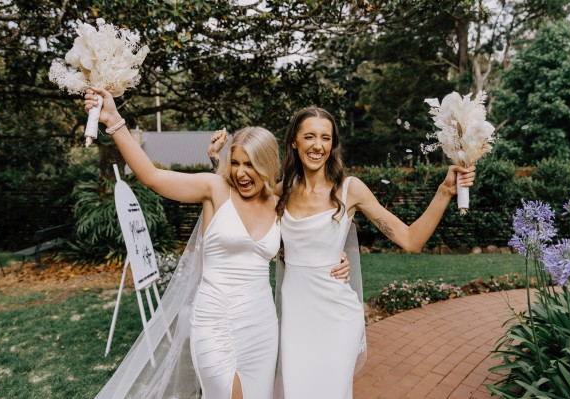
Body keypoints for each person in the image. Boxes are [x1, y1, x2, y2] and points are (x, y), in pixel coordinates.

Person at [84, 88, 349, 399]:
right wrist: (113, 119)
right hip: (214, 322)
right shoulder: (214, 189)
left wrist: (336, 257)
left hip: (261, 326)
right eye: (235, 163)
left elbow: (309, 232)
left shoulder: (279, 200)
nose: (240, 173)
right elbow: (152, 176)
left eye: (250, 165)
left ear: (267, 165)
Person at [273, 107, 475, 398]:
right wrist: (218, 162)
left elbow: (409, 239)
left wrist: (444, 192)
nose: (318, 145)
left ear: (333, 145)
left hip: (336, 317)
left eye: (326, 138)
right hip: (295, 316)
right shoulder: (283, 191)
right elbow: (240, 205)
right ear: (294, 141)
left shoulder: (349, 189)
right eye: (309, 136)